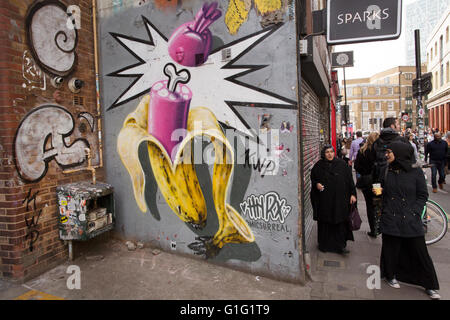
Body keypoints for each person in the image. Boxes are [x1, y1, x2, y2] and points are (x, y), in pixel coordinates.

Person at [376, 141, 440, 300]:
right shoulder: (385, 170)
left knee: (420, 252)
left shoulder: (416, 172)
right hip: (391, 216)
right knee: (391, 249)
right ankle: (390, 275)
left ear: (399, 153)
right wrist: (377, 193)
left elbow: (422, 195)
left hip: (411, 218)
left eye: (390, 152)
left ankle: (429, 285)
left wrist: (415, 212)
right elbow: (377, 186)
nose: (387, 155)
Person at [310, 145, 357, 254]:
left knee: (340, 222)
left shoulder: (342, 164)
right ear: (323, 154)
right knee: (325, 223)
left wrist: (353, 194)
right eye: (327, 152)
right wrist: (317, 184)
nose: (330, 154)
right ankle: (324, 245)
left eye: (331, 152)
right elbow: (313, 179)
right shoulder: (318, 166)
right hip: (325, 201)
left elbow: (349, 180)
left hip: (340, 200)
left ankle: (341, 246)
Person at [354, 132, 379, 238]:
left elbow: (356, 166)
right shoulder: (379, 152)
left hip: (366, 181)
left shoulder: (362, 151)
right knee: (378, 203)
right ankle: (379, 227)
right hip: (377, 183)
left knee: (369, 205)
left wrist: (364, 173)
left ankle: (373, 229)